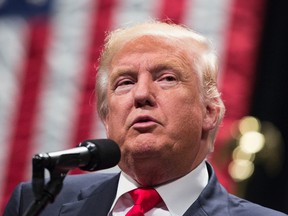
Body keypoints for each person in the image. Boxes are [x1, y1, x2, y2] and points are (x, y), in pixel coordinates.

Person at [4, 21, 287, 216]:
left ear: (210, 112)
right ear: (106, 117)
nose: (141, 94)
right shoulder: (39, 203)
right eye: (125, 82)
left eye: (167, 78)